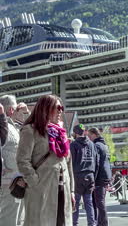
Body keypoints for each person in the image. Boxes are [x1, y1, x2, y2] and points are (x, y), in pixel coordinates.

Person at [16, 94, 75, 226]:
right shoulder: (30, 130)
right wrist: (34, 181)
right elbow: (22, 160)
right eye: (57, 107)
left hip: (62, 189)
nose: (61, 111)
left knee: (62, 222)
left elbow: (68, 163)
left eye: (62, 108)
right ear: (45, 108)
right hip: (41, 189)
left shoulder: (61, 133)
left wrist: (71, 191)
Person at [0, 95, 23, 225]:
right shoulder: (4, 126)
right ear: (11, 110)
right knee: (8, 218)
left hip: (16, 179)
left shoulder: (14, 126)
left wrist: (26, 113)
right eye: (15, 108)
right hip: (7, 180)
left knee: (17, 217)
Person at [70, 124, 98, 226]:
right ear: (84, 132)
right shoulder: (91, 144)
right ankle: (92, 224)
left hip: (77, 176)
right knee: (89, 202)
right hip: (90, 175)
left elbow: (70, 162)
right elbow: (96, 161)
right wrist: (94, 176)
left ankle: (75, 224)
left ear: (75, 133)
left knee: (75, 203)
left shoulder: (73, 145)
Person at [88, 127, 112, 226]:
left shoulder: (96, 145)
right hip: (105, 176)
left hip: (99, 177)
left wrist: (93, 178)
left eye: (89, 135)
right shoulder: (104, 145)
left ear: (94, 135)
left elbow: (96, 163)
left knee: (99, 203)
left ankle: (103, 223)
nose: (88, 138)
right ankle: (101, 223)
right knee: (99, 201)